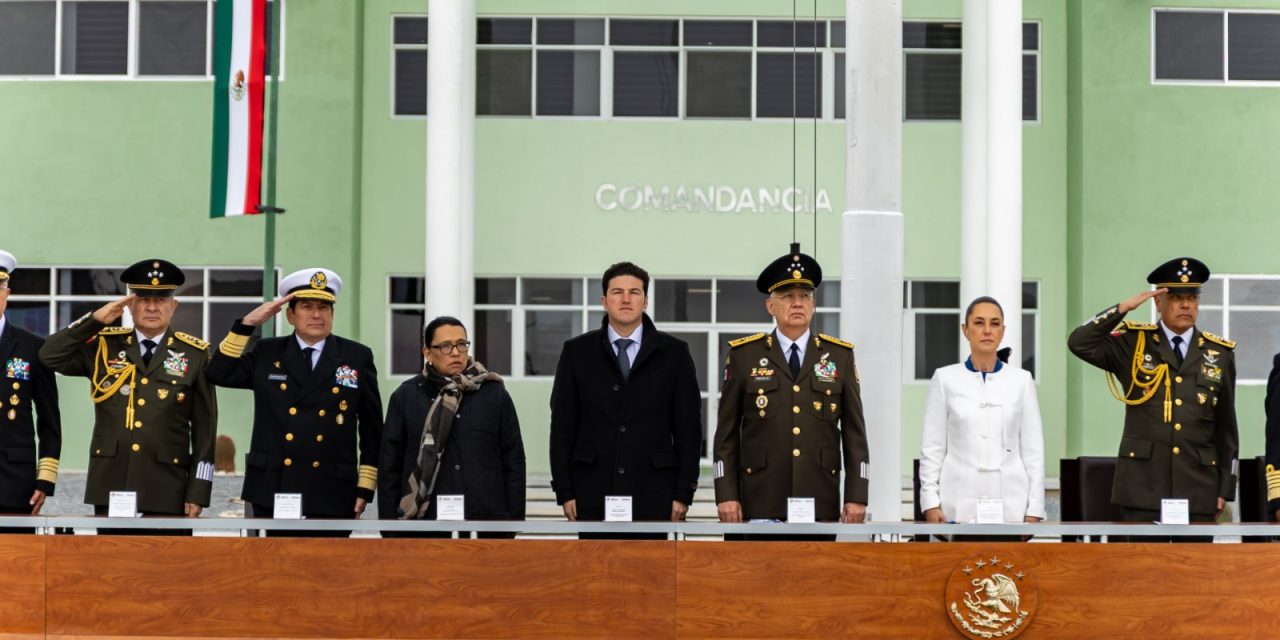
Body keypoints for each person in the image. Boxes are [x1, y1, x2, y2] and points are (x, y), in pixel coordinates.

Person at [39, 259, 217, 524]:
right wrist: (94, 320)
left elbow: (206, 429)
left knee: (166, 563)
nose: (152, 307)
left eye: (161, 300)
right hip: (111, 480)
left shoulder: (194, 354)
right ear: (130, 305)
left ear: (174, 306)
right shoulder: (104, 346)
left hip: (168, 487)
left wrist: (199, 492)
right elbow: (49, 355)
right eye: (143, 299)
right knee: (111, 562)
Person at [208, 268, 382, 536]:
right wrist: (248, 324)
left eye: (324, 307)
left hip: (332, 488)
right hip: (274, 486)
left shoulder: (356, 356)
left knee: (328, 571)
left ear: (332, 314)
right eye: (307, 307)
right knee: (274, 571)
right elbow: (219, 373)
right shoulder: (268, 352)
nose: (316, 315)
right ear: (290, 315)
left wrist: (366, 487)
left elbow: (372, 427)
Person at [1068, 257, 1237, 524]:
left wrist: (1224, 489)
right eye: (1176, 297)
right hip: (1142, 488)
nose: (1185, 305)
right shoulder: (1133, 344)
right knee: (1143, 566)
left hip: (1199, 488)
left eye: (1192, 297)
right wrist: (1122, 308)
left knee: (1195, 567)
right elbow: (1080, 343)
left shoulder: (1218, 354)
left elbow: (1226, 429)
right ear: (1158, 302)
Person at [714, 243, 870, 528]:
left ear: (813, 304)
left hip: (820, 498)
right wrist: (725, 494)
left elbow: (855, 434)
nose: (797, 302)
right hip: (758, 499)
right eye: (787, 296)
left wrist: (857, 495)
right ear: (770, 306)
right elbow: (725, 434)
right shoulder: (744, 356)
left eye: (805, 296)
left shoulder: (839, 357)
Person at [549, 261, 702, 537]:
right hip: (591, 488)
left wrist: (683, 492)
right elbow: (562, 427)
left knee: (650, 574)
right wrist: (565, 489)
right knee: (595, 573)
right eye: (617, 292)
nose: (626, 299)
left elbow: (688, 429)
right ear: (604, 301)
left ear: (645, 300)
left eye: (634, 292)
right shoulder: (577, 353)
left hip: (654, 490)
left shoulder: (674, 353)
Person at [380, 316, 525, 536]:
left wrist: (512, 524)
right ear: (427, 353)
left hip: (485, 523)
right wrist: (389, 527)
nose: (456, 352)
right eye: (445, 346)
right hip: (422, 525)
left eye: (461, 344)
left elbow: (513, 461)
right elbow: (390, 465)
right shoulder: (406, 397)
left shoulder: (494, 395)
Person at [919, 296, 1045, 527]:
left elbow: (1033, 451)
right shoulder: (945, 379)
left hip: (1012, 503)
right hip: (957, 501)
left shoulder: (1021, 381)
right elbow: (933, 447)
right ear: (965, 330)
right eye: (979, 323)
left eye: (995, 324)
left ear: (1003, 331)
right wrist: (930, 503)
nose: (987, 330)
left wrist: (1035, 507)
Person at [0, 250, 61, 518]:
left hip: (14, 481)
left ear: (7, 292)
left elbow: (49, 421)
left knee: (19, 559)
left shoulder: (33, 347)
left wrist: (44, 479)